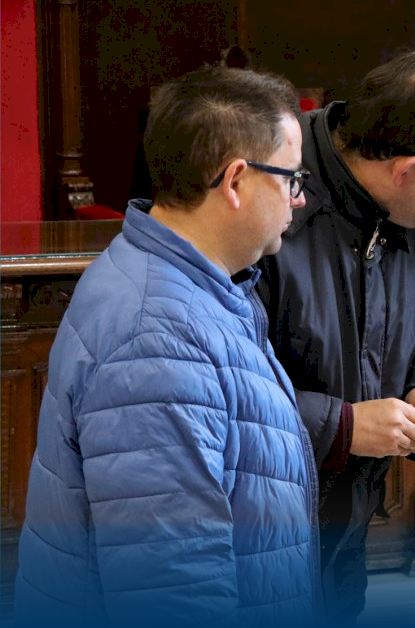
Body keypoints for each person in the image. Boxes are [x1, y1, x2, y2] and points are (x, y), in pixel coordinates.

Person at [15, 66, 317, 625]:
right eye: (292, 178)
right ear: (235, 180)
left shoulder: (184, 285)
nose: (298, 200)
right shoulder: (159, 339)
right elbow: (171, 588)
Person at [256, 50, 415, 621]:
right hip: (259, 523)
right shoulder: (275, 197)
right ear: (405, 169)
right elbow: (216, 385)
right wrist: (341, 426)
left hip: (351, 518)